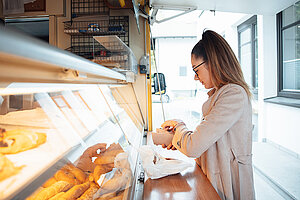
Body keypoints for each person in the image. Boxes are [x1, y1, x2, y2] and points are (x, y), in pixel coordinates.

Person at [161, 30, 255, 200]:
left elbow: (194, 146)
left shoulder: (233, 95)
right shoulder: (220, 94)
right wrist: (177, 139)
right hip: (215, 180)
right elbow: (207, 142)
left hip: (228, 185)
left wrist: (180, 126)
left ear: (213, 63)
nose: (196, 78)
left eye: (196, 70)